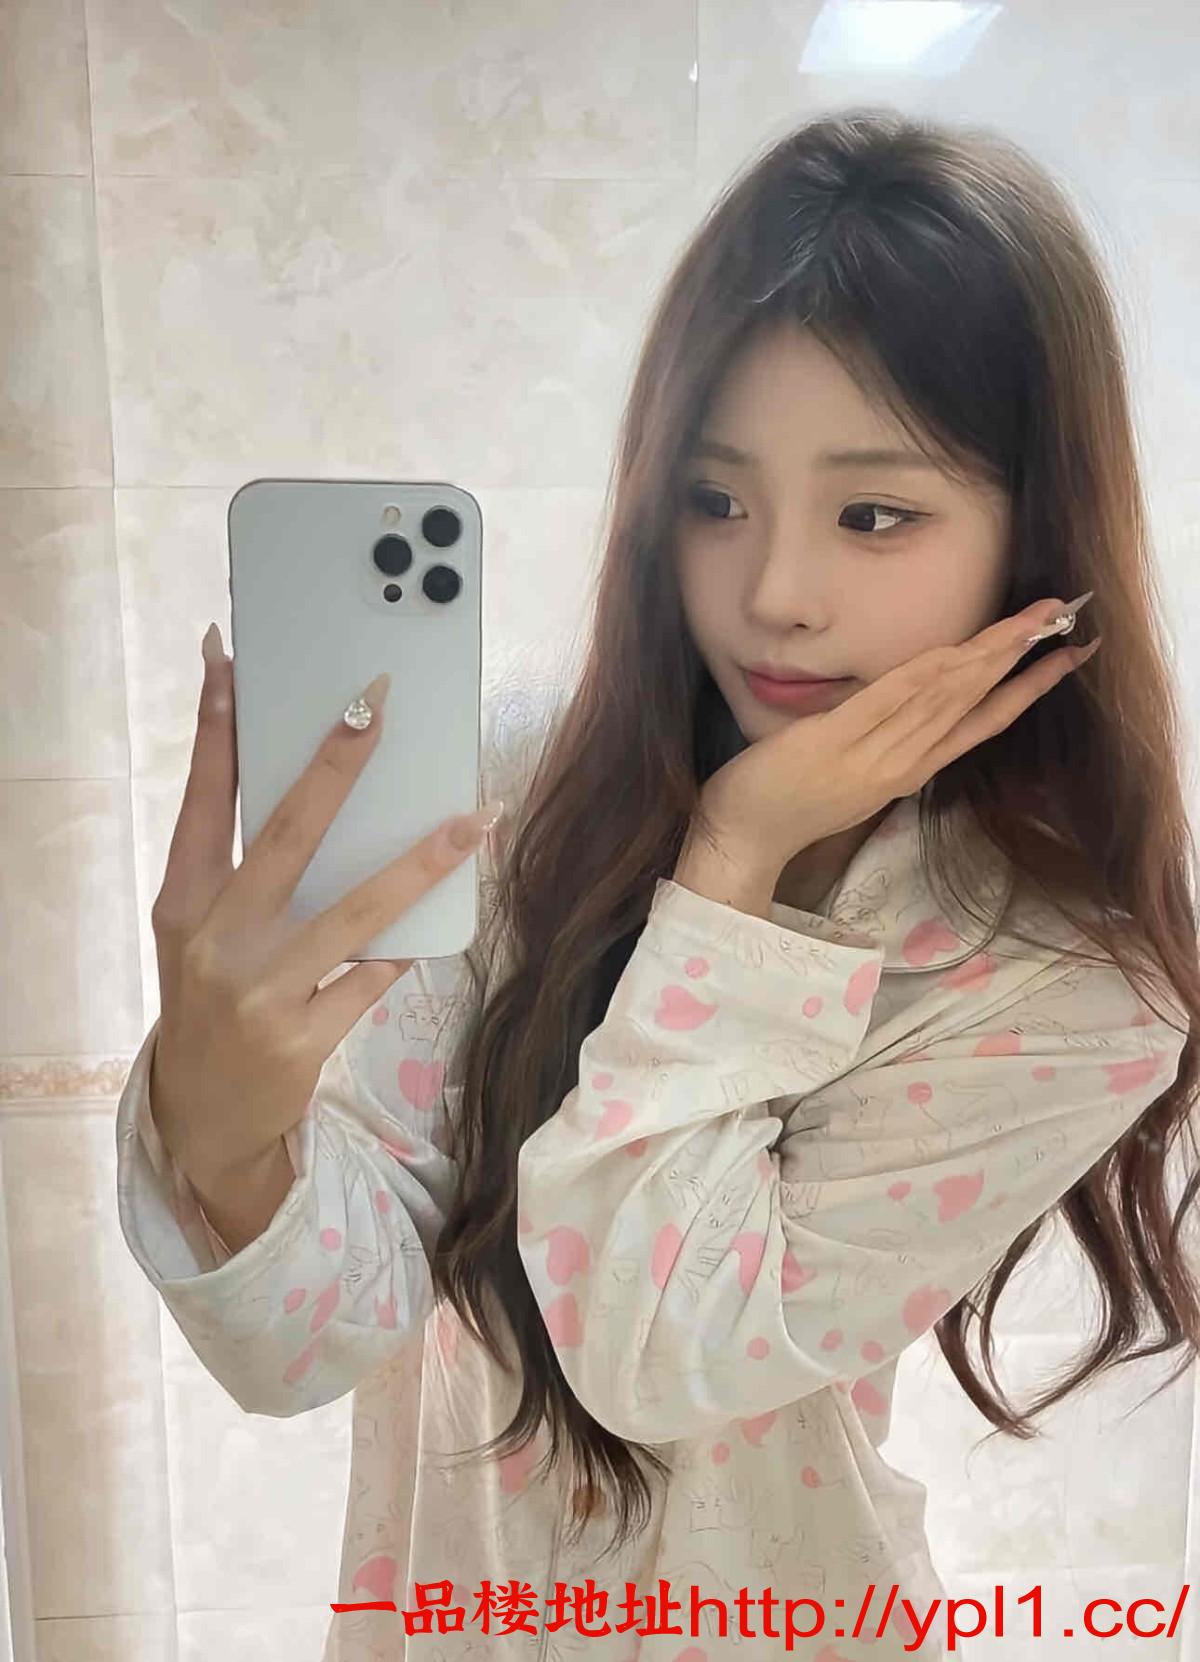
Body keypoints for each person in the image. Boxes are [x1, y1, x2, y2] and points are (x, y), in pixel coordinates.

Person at [115, 108, 1200, 1662]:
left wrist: (734, 866)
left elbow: (652, 1351)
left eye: (873, 513)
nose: (774, 592)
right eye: (714, 497)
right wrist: (224, 1132)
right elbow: (315, 1340)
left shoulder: (1066, 983)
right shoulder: (518, 785)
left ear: (1030, 531)